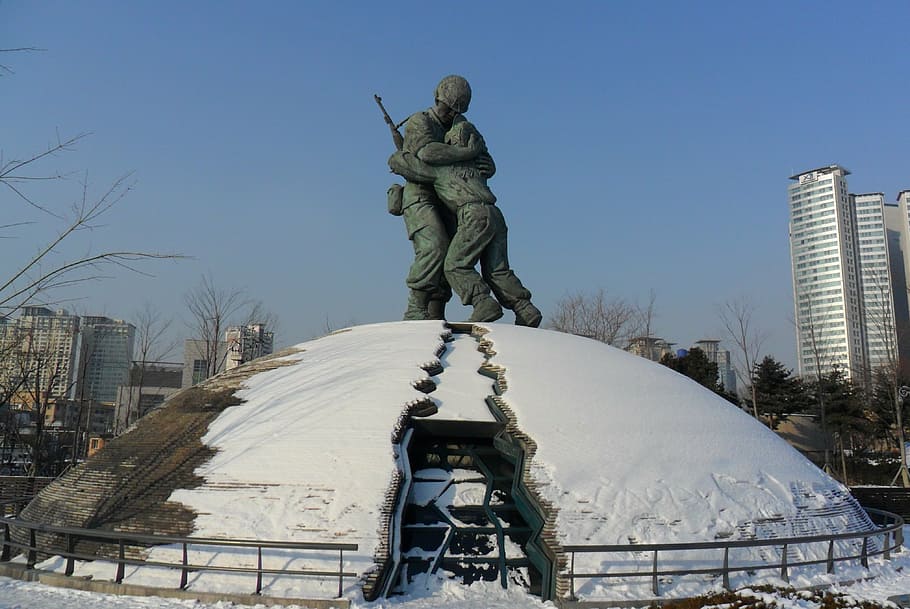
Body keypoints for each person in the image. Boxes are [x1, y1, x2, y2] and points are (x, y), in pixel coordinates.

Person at [389, 119, 542, 326]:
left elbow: (411, 162)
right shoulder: (477, 167)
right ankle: (525, 308)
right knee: (497, 269)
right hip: (495, 215)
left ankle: (482, 302)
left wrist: (399, 157)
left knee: (454, 266)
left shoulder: (443, 169)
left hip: (473, 216)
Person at [396, 75, 487, 321]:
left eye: (455, 110)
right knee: (433, 247)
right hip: (420, 195)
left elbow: (483, 161)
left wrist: (480, 161)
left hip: (448, 197)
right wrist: (465, 153)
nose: (449, 114)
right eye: (446, 107)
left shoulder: (461, 126)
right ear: (438, 98)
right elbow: (427, 153)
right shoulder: (420, 121)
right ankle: (416, 307)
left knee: (451, 254)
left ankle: (435, 311)